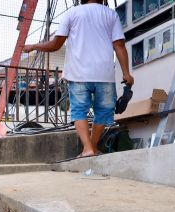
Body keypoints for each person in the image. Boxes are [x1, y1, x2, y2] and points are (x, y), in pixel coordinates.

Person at [23, 0, 134, 157]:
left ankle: (88, 149)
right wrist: (126, 73)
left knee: (79, 111)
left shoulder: (72, 13)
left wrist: (34, 46)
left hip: (78, 73)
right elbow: (119, 45)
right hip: (104, 73)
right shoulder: (111, 14)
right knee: (103, 112)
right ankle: (91, 148)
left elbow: (55, 45)